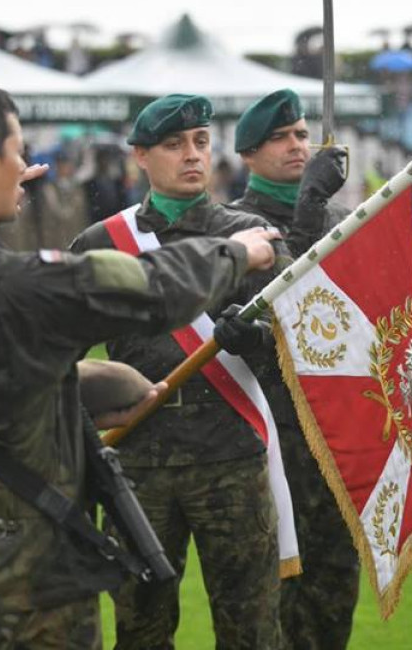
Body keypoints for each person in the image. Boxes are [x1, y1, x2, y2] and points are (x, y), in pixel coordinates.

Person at [0, 83, 279, 649]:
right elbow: (151, 287)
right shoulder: (20, 285)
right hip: (19, 578)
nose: (28, 166)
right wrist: (238, 253)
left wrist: (78, 384)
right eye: (17, 152)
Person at [70, 94, 287, 649]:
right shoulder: (101, 244)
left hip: (231, 457)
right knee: (139, 631)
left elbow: (302, 345)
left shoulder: (252, 235)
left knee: (252, 630)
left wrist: (257, 340)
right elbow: (58, 354)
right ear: (140, 156)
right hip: (135, 461)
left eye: (200, 142)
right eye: (173, 145)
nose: (192, 156)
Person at [224, 88, 360, 649]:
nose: (297, 145)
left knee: (334, 585)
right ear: (248, 156)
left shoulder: (343, 217)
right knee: (273, 594)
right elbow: (281, 303)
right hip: (270, 432)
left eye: (302, 134)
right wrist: (308, 205)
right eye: (280, 138)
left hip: (335, 426)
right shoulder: (232, 223)